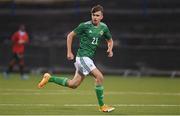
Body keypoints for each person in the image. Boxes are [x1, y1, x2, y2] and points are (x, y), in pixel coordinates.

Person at [38, 5, 115, 112]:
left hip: (87, 59)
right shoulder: (84, 26)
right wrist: (69, 52)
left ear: (102, 16)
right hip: (83, 57)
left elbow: (110, 40)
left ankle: (49, 78)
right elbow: (70, 35)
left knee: (73, 84)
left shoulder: (104, 27)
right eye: (93, 15)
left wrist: (110, 49)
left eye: (97, 15)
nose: (95, 17)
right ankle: (102, 106)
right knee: (99, 77)